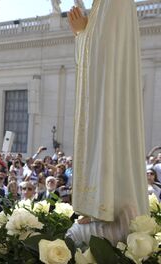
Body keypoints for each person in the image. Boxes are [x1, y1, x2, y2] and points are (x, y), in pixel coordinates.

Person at [66, 0, 149, 246]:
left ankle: (103, 207)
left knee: (104, 132)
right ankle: (99, 206)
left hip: (107, 103)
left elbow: (102, 61)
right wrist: (83, 33)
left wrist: (82, 33)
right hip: (105, 100)